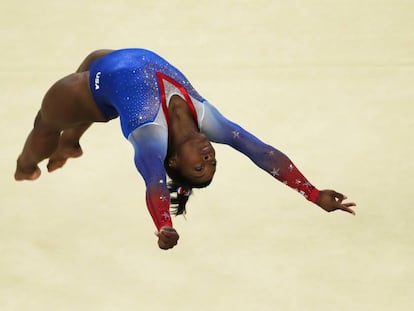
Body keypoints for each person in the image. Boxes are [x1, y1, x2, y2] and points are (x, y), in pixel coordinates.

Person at [14, 48, 356, 250]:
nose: (209, 158)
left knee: (45, 122)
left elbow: (154, 185)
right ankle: (72, 143)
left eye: (199, 168)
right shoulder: (209, 121)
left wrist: (164, 225)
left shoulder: (151, 137)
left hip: (92, 85)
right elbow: (262, 152)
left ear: (174, 160)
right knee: (96, 81)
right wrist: (311, 193)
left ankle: (26, 164)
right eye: (212, 164)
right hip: (107, 59)